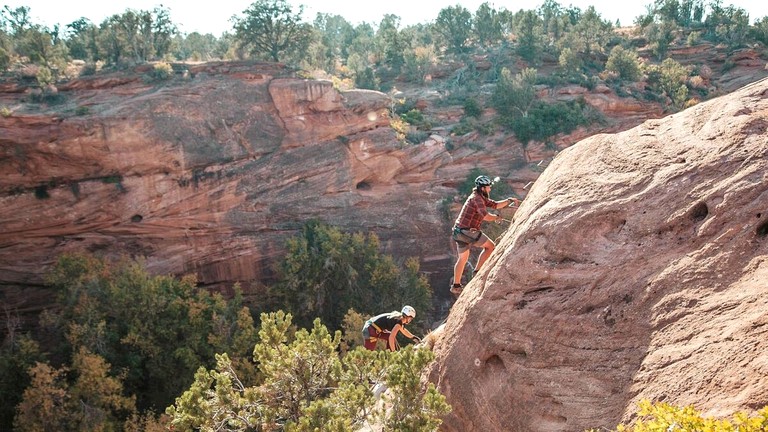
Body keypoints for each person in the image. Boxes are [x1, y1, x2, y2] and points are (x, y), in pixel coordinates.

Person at [450, 175, 520, 295]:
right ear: (482, 188)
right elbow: (486, 216)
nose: (490, 189)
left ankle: (456, 285)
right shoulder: (477, 199)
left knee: (462, 258)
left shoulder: (479, 197)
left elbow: (495, 205)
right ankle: (477, 272)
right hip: (468, 231)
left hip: (458, 231)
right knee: (490, 246)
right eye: (488, 187)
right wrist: (496, 217)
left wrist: (509, 201)